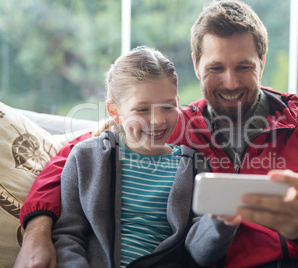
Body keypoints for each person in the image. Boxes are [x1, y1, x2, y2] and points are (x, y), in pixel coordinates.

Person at [15, 1, 298, 267]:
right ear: (196, 65)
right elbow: (74, 155)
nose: (231, 82)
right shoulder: (170, 125)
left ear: (262, 63)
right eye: (216, 67)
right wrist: (36, 231)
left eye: (244, 67)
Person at [25, 46, 240, 267]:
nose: (157, 120)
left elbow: (198, 252)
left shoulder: (194, 168)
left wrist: (220, 223)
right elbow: (68, 236)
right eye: (142, 110)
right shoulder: (86, 157)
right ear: (115, 111)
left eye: (167, 106)